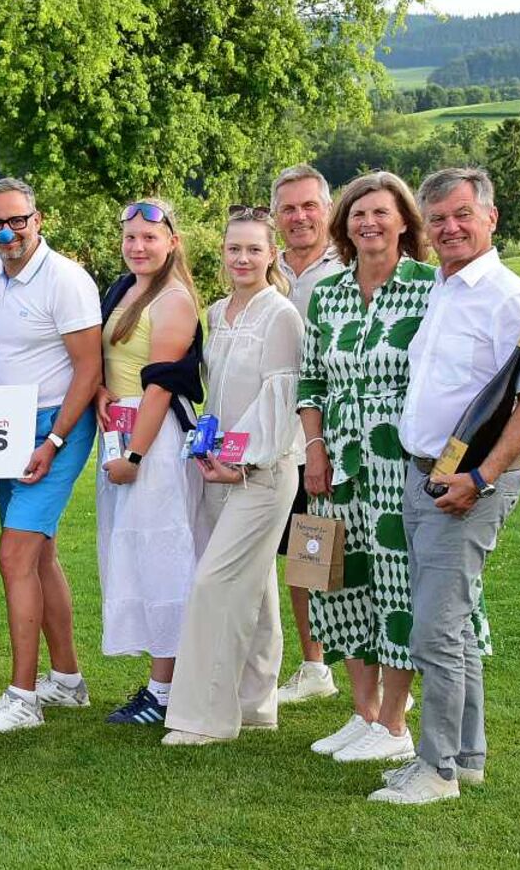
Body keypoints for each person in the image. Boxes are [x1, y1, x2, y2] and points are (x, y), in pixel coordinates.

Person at [375, 167, 520, 804]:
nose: (450, 228)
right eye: (438, 219)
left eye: (462, 215)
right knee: (451, 624)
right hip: (424, 475)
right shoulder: (443, 288)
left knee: (434, 630)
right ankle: (467, 757)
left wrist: (480, 477)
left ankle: (436, 770)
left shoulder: (509, 299)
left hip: (467, 488)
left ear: (490, 218)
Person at [298, 172, 444, 765]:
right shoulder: (328, 293)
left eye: (381, 212)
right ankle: (363, 712)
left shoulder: (429, 288)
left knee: (394, 583)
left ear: (404, 221)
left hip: (399, 460)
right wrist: (314, 449)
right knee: (339, 581)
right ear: (344, 225)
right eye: (358, 214)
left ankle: (394, 723)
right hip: (336, 461)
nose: (369, 223)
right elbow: (311, 380)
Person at [0, 178, 101, 735]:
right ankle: (67, 680)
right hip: (10, 426)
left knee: (13, 555)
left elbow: (88, 369)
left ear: (37, 220)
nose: (6, 233)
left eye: (17, 221)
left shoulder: (65, 280)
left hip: (55, 427)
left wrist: (54, 441)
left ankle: (22, 698)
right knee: (39, 556)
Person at [162, 208, 303, 744]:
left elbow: (279, 399)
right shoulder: (217, 312)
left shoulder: (281, 315)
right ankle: (255, 702)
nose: (242, 259)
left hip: (262, 472)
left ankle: (203, 718)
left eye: (253, 249)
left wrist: (240, 460)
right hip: (217, 469)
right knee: (256, 588)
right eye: (234, 249)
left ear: (271, 254)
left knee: (215, 584)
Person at [93, 198, 203, 727]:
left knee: (163, 556)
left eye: (149, 238)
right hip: (120, 428)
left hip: (152, 438)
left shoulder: (174, 299)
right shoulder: (124, 289)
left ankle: (165, 691)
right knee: (134, 552)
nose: (138, 247)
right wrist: (100, 392)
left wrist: (135, 454)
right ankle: (161, 682)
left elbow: (160, 385)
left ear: (172, 242)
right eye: (130, 237)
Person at [269, 165, 349, 707]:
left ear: (327, 208)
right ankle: (315, 664)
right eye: (288, 208)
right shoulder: (265, 265)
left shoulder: (348, 265)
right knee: (302, 551)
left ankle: (371, 666)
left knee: (350, 552)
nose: (299, 217)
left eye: (308, 206)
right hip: (282, 436)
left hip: (338, 431)